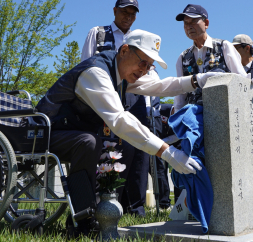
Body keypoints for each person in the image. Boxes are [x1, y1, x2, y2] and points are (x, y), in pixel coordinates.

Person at [36, 29, 222, 234]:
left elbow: (159, 85)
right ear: (124, 50)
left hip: (70, 134)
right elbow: (119, 120)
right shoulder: (96, 72)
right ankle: (82, 221)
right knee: (88, 142)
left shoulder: (121, 73)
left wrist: (197, 80)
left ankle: (86, 216)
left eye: (150, 66)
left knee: (89, 141)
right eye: (143, 62)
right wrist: (168, 152)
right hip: (41, 134)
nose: (145, 70)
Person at [81, 0, 152, 217]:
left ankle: (136, 208)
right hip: (106, 94)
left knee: (139, 150)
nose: (128, 17)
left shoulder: (139, 37)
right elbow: (86, 62)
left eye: (133, 13)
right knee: (109, 148)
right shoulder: (98, 33)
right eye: (124, 11)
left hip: (135, 96)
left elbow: (149, 71)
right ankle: (109, 203)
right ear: (115, 11)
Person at [174, 4, 248, 112]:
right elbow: (180, 94)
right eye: (186, 23)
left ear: (206, 23)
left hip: (224, 115)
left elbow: (241, 80)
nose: (189, 26)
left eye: (194, 21)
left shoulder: (224, 46)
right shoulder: (183, 57)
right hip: (194, 120)